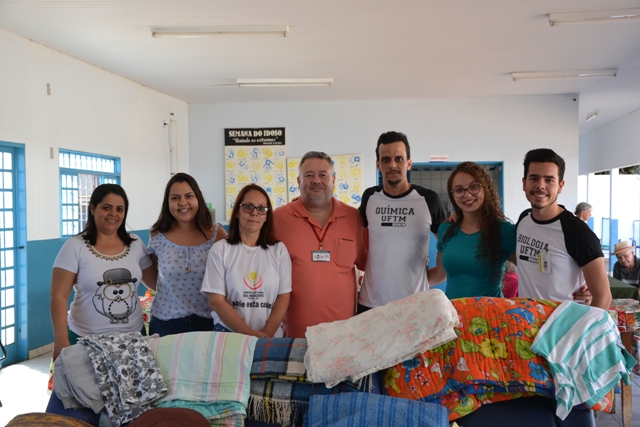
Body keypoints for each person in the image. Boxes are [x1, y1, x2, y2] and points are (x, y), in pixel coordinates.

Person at [50, 184, 156, 360]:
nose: (113, 214)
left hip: (133, 339)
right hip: (86, 340)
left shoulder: (135, 243)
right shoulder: (75, 246)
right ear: (92, 208)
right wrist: (60, 340)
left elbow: (157, 282)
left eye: (119, 209)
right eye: (107, 207)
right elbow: (58, 296)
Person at [273, 151, 367, 338]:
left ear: (333, 180)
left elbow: (368, 264)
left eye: (323, 175)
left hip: (343, 335)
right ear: (299, 181)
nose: (316, 180)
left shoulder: (353, 218)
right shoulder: (279, 219)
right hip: (296, 335)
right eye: (309, 175)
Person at [358, 131, 445, 312]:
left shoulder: (428, 199)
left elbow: (448, 245)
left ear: (409, 163)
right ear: (378, 164)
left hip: (415, 304)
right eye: (386, 159)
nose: (392, 165)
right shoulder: (370, 197)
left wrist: (425, 281)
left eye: (399, 159)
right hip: (371, 303)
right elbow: (352, 235)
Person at [516, 148, 611, 309]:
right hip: (526, 319)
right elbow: (521, 258)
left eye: (549, 180)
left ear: (560, 186)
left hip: (565, 322)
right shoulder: (524, 219)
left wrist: (583, 326)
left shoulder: (579, 233)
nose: (540, 185)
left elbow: (603, 297)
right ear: (524, 183)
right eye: (534, 178)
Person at [202, 184, 291, 338]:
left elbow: (283, 297)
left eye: (261, 209)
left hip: (270, 338)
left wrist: (266, 336)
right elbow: (216, 301)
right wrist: (249, 334)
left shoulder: (279, 250)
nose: (255, 213)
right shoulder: (220, 250)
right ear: (237, 211)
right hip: (230, 336)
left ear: (266, 216)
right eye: (248, 207)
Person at [147, 173, 227, 336]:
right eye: (175, 198)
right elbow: (153, 271)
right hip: (166, 323)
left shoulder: (217, 234)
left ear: (198, 198)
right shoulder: (157, 234)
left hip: (209, 322)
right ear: (167, 202)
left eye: (189, 196)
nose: (182, 203)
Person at [427, 162, 516, 298]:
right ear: (453, 195)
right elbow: (440, 274)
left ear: (485, 188)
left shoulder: (503, 230)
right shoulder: (446, 229)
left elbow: (529, 272)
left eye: (474, 187)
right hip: (452, 310)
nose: (467, 195)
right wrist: (404, 285)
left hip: (489, 311)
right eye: (459, 190)